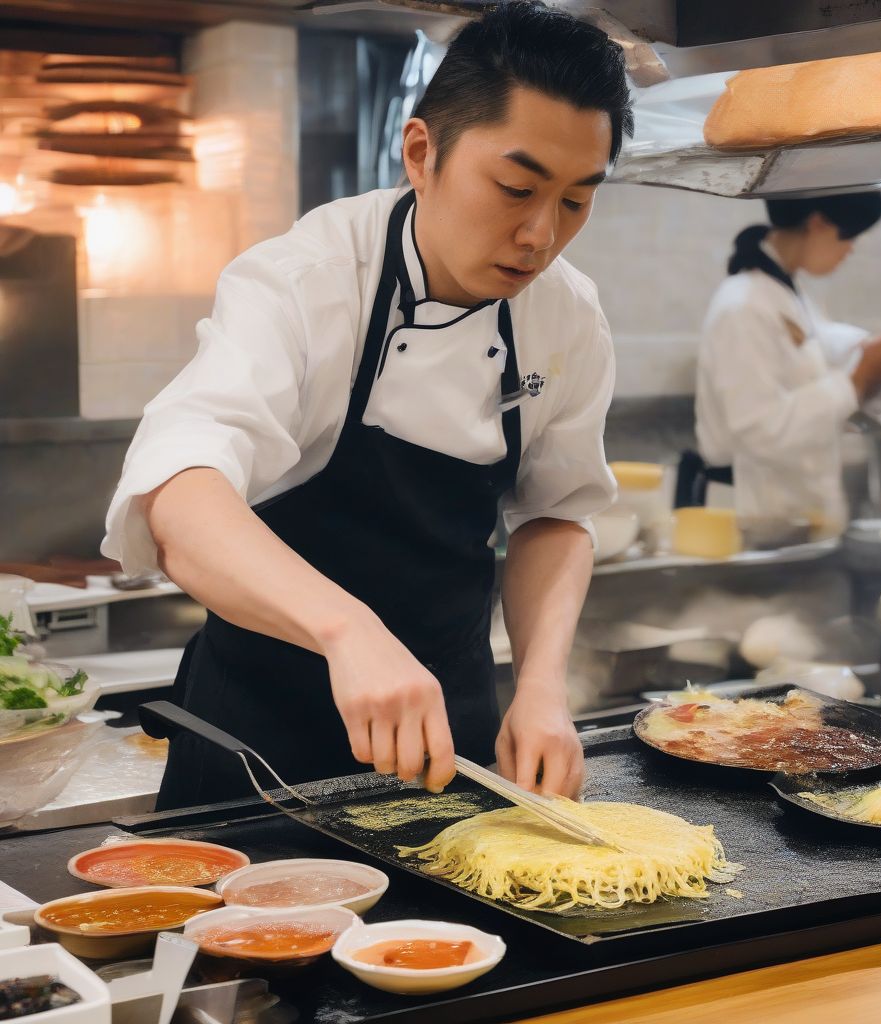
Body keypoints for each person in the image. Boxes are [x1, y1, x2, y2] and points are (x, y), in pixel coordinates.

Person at [101, 1, 633, 808]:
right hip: (257, 743)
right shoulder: (306, 281)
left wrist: (542, 687)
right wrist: (348, 632)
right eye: (517, 187)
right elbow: (178, 491)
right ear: (422, 152)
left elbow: (557, 515)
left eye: (575, 200)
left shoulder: (567, 314)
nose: (540, 235)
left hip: (448, 735)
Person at [690, 192, 881, 532]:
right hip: (745, 519)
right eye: (848, 235)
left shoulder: (783, 291)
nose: (851, 248)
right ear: (818, 223)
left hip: (783, 517)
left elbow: (813, 345)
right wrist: (859, 376)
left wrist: (874, 351)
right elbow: (759, 429)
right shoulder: (743, 306)